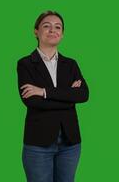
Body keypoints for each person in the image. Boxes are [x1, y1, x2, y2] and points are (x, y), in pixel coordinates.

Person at [17, 10, 89, 182]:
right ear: (36, 31)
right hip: (38, 144)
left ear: (62, 34)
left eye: (58, 27)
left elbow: (83, 94)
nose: (53, 30)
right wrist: (68, 96)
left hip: (70, 143)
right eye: (46, 26)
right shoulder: (25, 63)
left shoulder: (71, 64)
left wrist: (44, 92)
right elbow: (33, 102)